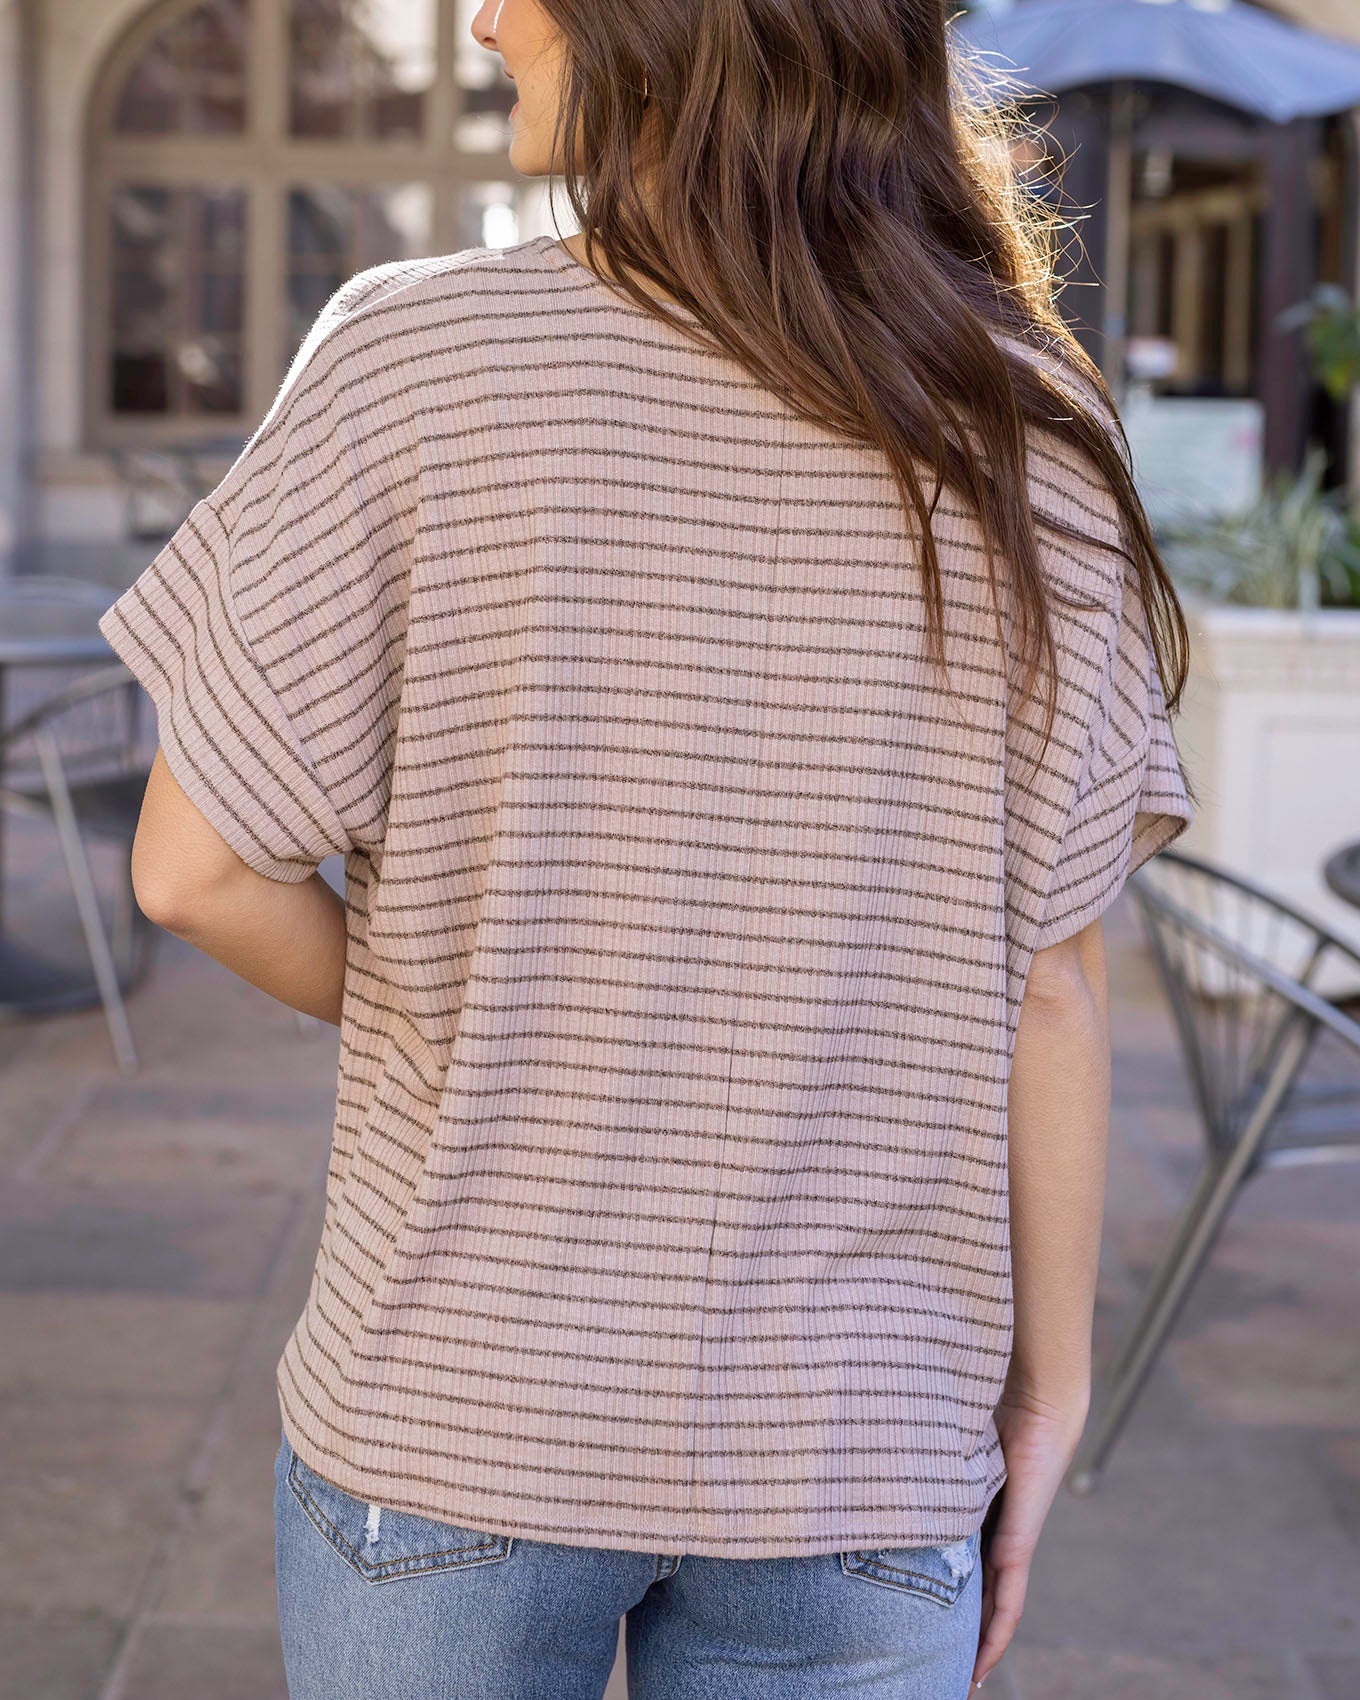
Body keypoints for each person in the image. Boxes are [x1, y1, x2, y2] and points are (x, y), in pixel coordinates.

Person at [97, 0, 1194, 1695]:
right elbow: (1051, 979)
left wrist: (453, 1008)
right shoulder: (1026, 421)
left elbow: (191, 872)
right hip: (856, 1446)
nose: (480, 17)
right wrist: (1048, 1390)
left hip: (454, 1414)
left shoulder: (410, 359)